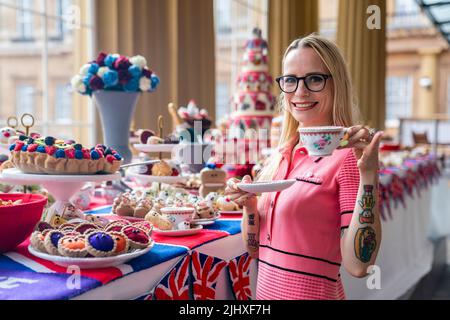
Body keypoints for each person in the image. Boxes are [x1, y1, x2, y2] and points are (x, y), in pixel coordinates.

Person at [225, 34, 384, 300]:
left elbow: (359, 266)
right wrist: (250, 205)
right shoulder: (281, 155)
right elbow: (255, 250)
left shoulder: (348, 158)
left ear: (337, 85)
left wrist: (368, 176)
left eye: (314, 79)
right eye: (290, 80)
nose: (300, 92)